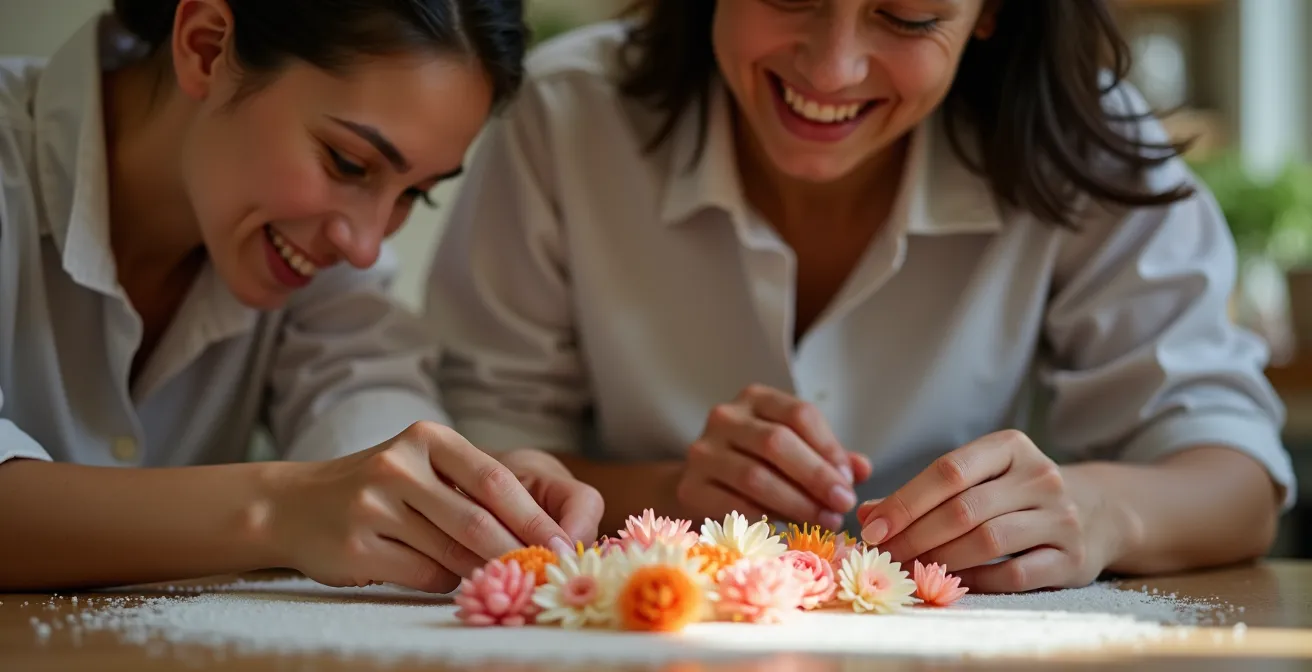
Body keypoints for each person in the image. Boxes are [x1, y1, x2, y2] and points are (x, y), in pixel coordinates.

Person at [425, 0, 1298, 593]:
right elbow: (485, 456)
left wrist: (1101, 514)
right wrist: (666, 495)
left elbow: (1234, 476)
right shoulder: (567, 119)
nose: (832, 67)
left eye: (907, 15)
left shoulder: (1088, 144)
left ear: (991, 11)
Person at [0, 0, 603, 593]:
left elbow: (363, 396)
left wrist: (460, 492)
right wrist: (276, 508)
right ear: (205, 47)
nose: (365, 244)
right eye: (348, 162)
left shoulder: (311, 251)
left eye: (413, 193)